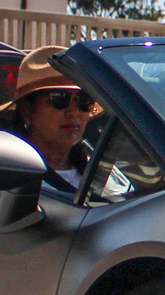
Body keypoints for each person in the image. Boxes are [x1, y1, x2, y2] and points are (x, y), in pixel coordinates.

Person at [7, 47, 99, 196]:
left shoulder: (103, 171)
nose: (74, 112)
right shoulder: (10, 176)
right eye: (59, 98)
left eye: (84, 100)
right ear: (26, 110)